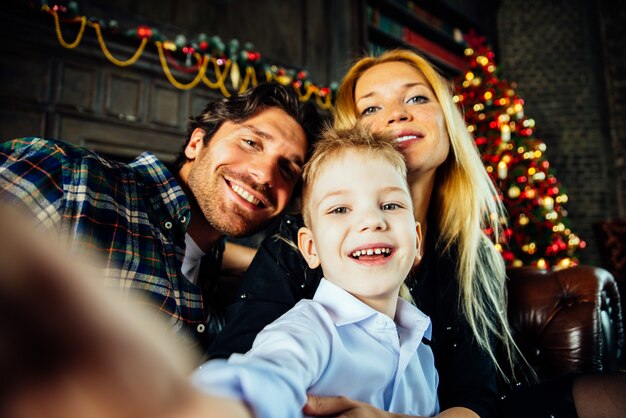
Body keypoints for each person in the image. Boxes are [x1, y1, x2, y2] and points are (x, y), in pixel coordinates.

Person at [210, 50, 626, 418]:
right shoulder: (301, 253)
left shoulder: (470, 255)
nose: (397, 114)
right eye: (371, 108)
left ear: (448, 122)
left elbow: (477, 393)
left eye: (416, 98)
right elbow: (251, 368)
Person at [0, 82, 320, 352]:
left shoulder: (211, 277)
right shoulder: (70, 176)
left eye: (287, 169)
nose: (265, 175)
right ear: (197, 143)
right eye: (251, 142)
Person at [192, 125, 438, 418]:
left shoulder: (423, 351)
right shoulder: (308, 329)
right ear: (310, 248)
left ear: (418, 240)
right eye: (340, 209)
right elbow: (263, 379)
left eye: (390, 204)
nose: (372, 220)